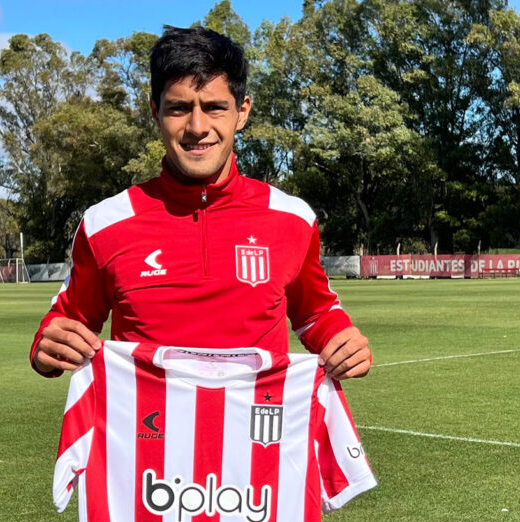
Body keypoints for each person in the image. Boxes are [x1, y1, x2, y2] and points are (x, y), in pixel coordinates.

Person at [30, 25, 371, 382]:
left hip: (257, 418)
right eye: (178, 108)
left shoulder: (291, 218)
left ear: (242, 111)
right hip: (144, 419)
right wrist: (47, 348)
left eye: (214, 107)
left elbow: (316, 313)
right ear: (155, 112)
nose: (197, 126)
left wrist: (342, 340)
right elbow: (67, 324)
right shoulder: (106, 223)